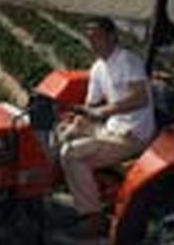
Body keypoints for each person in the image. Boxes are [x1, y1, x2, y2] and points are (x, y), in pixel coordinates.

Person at [58, 16, 156, 225]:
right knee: (56, 135)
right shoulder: (98, 67)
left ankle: (93, 216)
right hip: (110, 128)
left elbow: (140, 98)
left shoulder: (128, 61)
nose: (92, 43)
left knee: (72, 154)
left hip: (131, 134)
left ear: (112, 37)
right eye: (89, 38)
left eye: (97, 37)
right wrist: (73, 126)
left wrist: (104, 112)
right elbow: (90, 106)